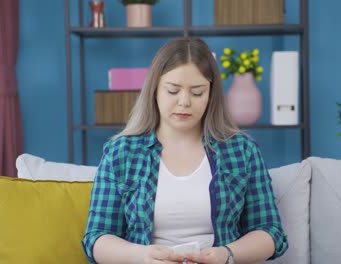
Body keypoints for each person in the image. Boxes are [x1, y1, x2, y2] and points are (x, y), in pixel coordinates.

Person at [82, 37, 288, 264]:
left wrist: (227, 254)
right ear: (155, 91)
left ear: (210, 95)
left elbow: (271, 232)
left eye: (197, 93)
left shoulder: (242, 150)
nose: (184, 102)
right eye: (172, 91)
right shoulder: (120, 153)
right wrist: (142, 256)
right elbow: (96, 238)